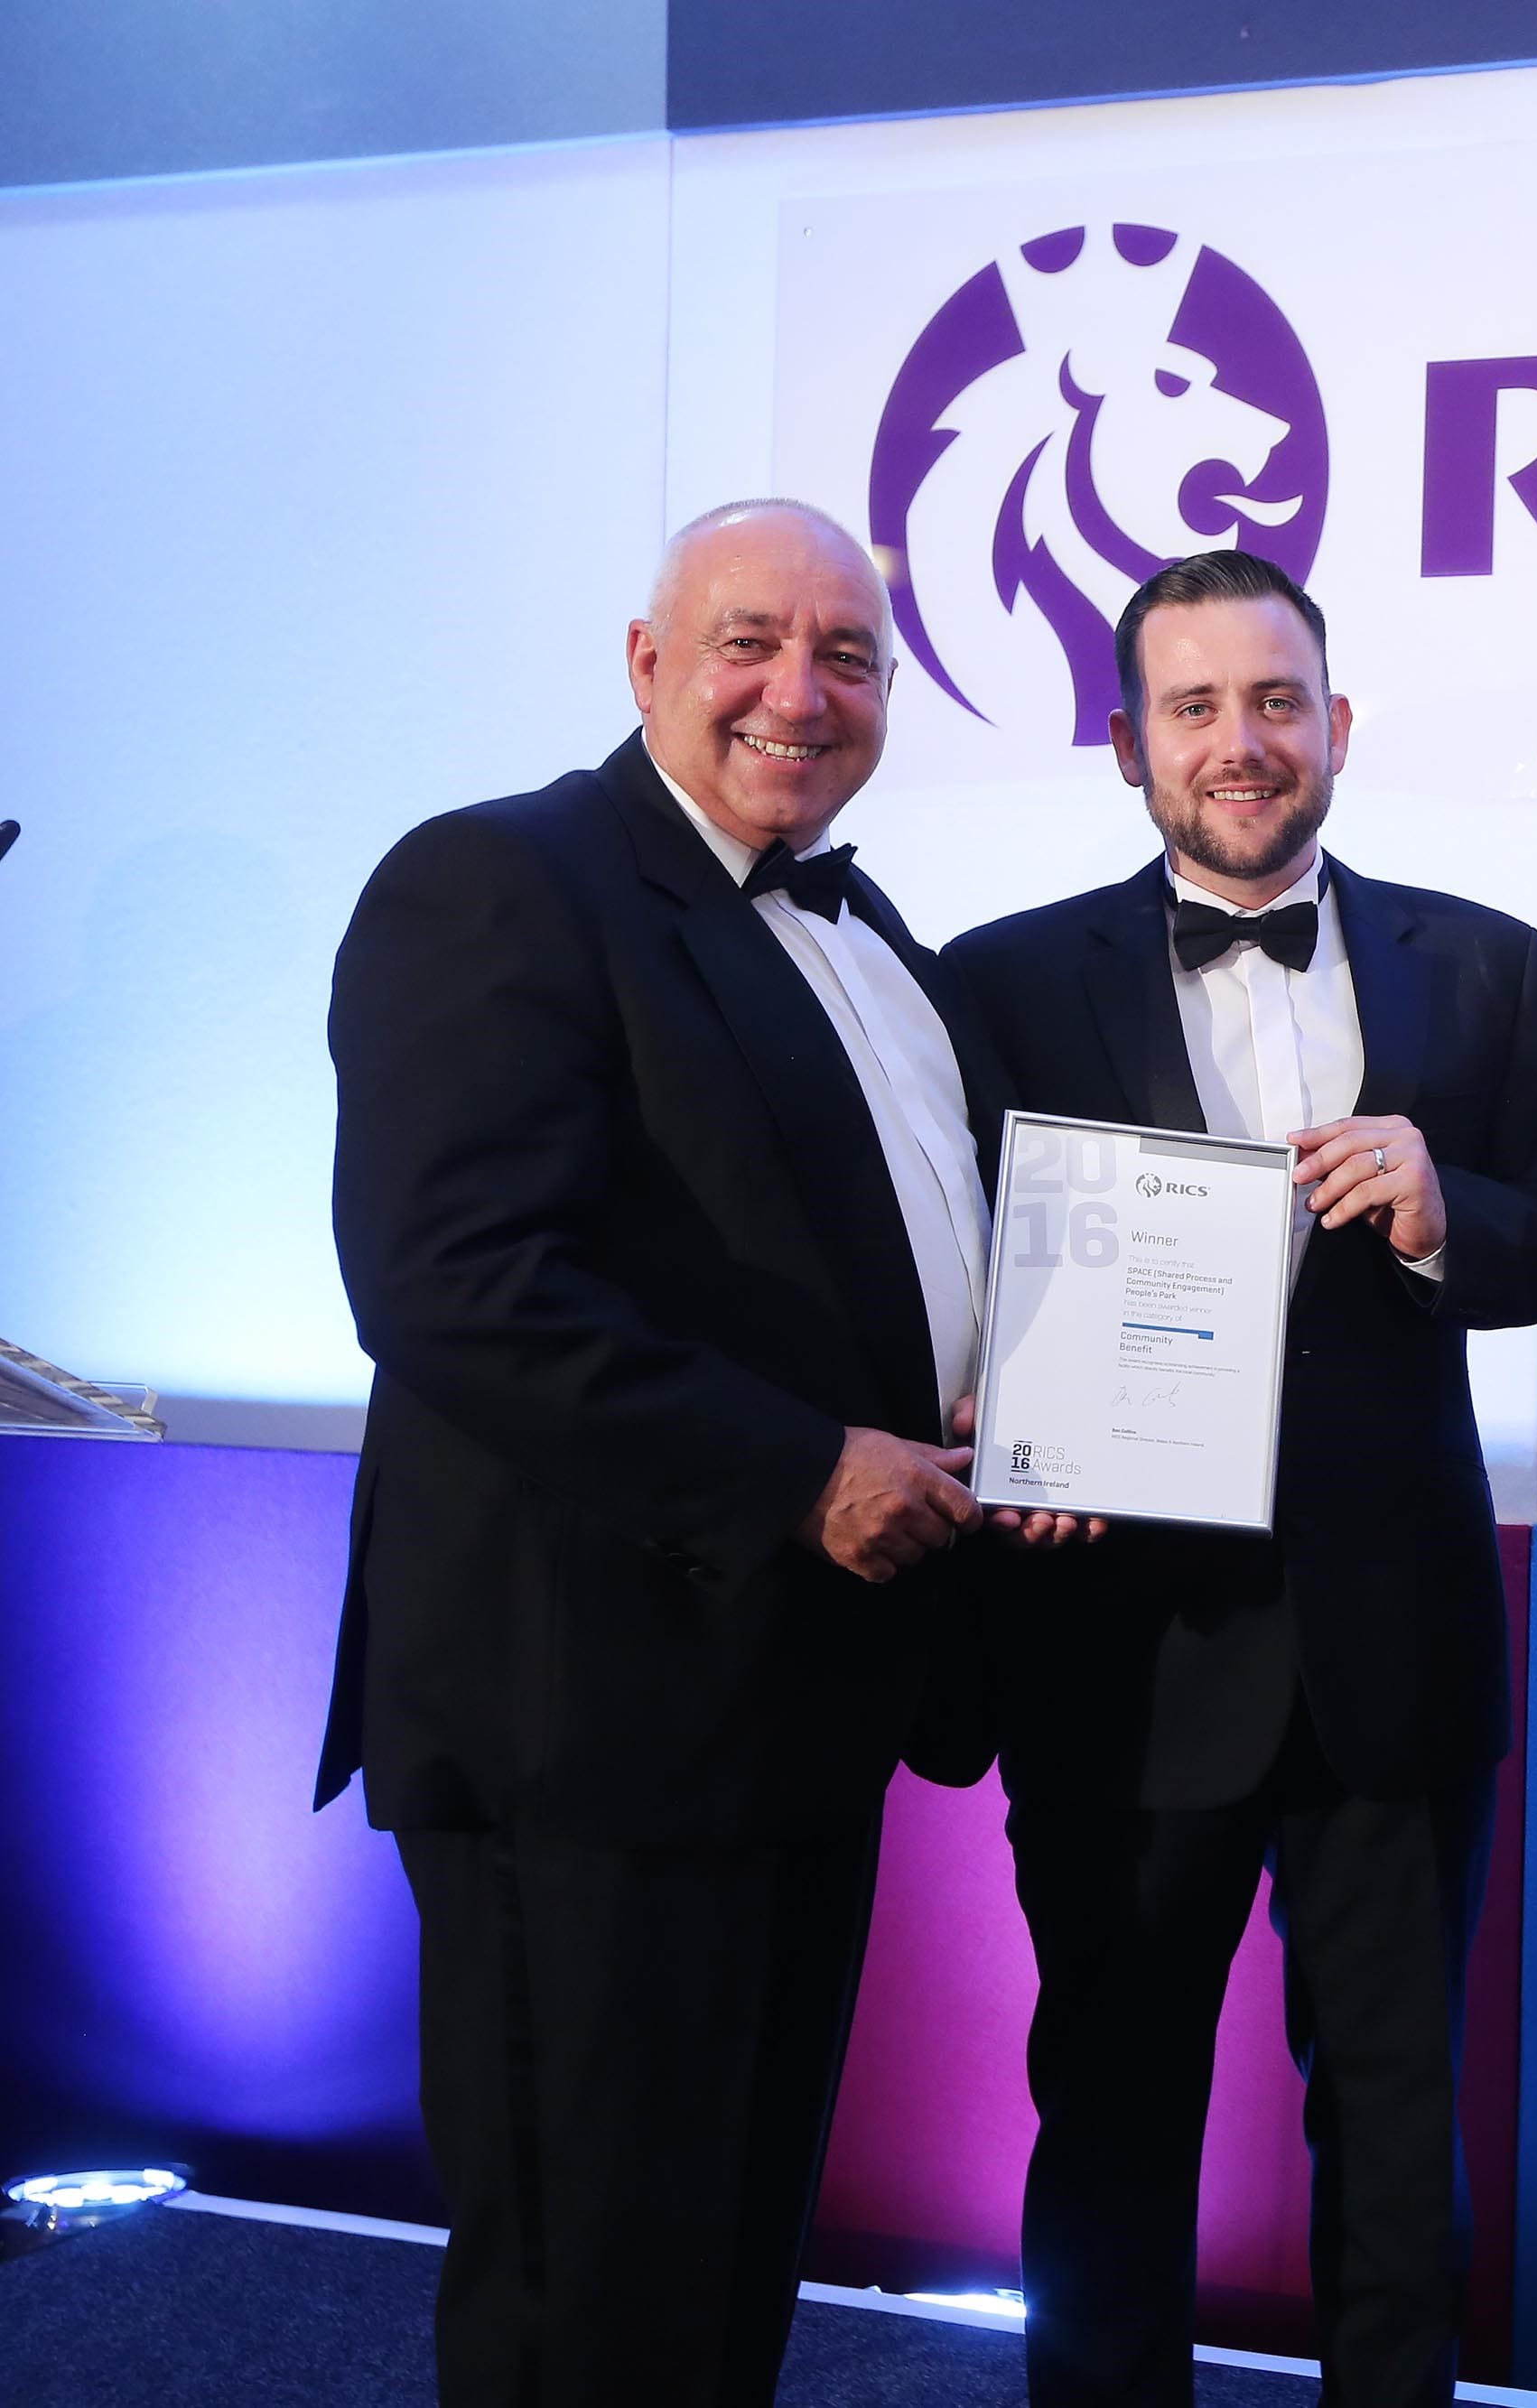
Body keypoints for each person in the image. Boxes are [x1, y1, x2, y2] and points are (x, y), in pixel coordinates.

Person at [319, 498, 1005, 2404]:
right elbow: (454, 1282)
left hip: (794, 1701)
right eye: (749, 641)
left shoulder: (875, 938)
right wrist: (800, 1468)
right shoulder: (502, 880)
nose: (800, 691)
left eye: (848, 656)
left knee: (713, 2287)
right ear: (645, 662)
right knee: (587, 2295)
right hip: (590, 1719)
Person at [939, 550, 1537, 2408]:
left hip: (1390, 1641)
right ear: (1128, 742)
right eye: (1194, 706)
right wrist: (1000, 1416)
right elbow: (944, 1270)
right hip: (1116, 1640)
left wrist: (1441, 1203)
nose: (1240, 742)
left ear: (1333, 721)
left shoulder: (1480, 961)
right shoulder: (997, 981)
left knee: (1397, 2128)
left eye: (1273, 701)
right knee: (1114, 2109)